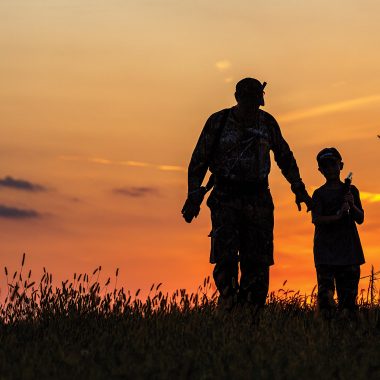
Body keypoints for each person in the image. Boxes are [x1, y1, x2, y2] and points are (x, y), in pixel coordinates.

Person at [182, 77, 313, 310]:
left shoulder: (267, 123)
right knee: (226, 259)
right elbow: (198, 161)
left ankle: (252, 314)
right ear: (237, 99)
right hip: (225, 199)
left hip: (258, 199)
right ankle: (230, 305)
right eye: (249, 101)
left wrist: (298, 187)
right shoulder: (218, 122)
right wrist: (194, 195)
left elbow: (284, 156)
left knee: (258, 263)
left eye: (257, 101)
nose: (254, 106)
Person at [311, 147, 365, 318]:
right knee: (326, 302)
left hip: (349, 254)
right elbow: (317, 219)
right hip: (326, 254)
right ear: (320, 170)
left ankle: (347, 337)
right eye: (325, 167)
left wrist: (352, 204)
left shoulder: (352, 190)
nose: (330, 170)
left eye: (333, 165)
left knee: (348, 304)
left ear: (341, 165)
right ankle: (326, 336)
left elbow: (360, 218)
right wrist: (338, 215)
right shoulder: (318, 194)